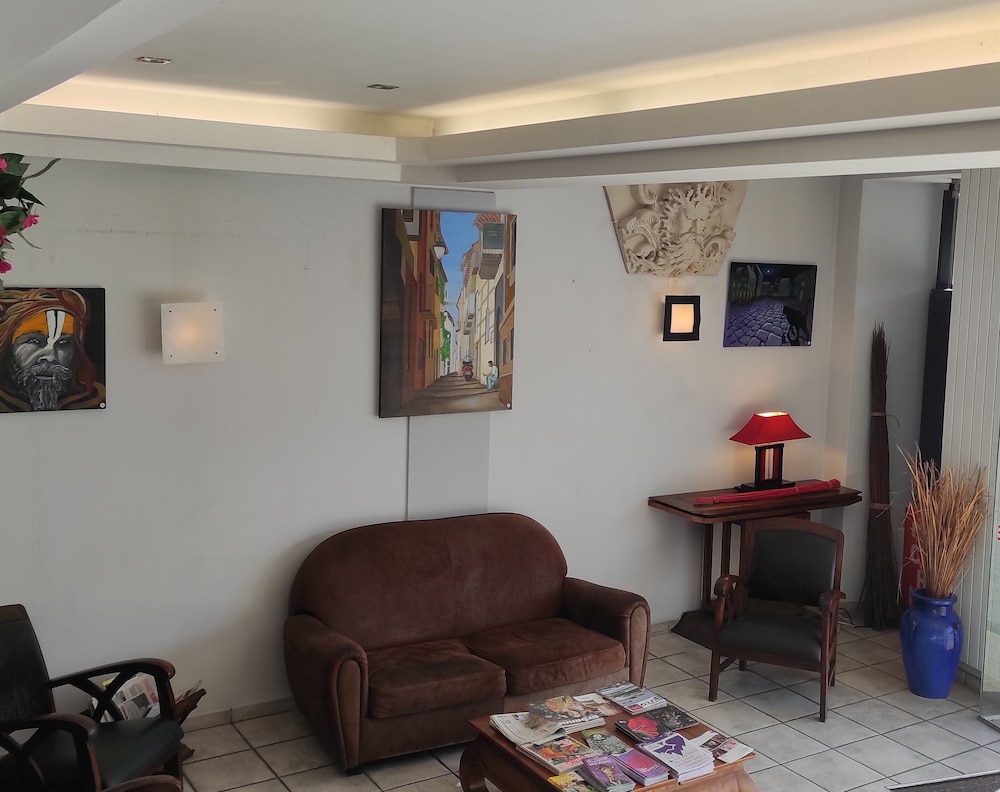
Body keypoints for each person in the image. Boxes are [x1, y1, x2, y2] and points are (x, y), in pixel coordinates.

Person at [0, 288, 106, 411]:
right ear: (9, 345)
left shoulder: (93, 399)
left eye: (63, 343)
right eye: (34, 341)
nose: (50, 357)